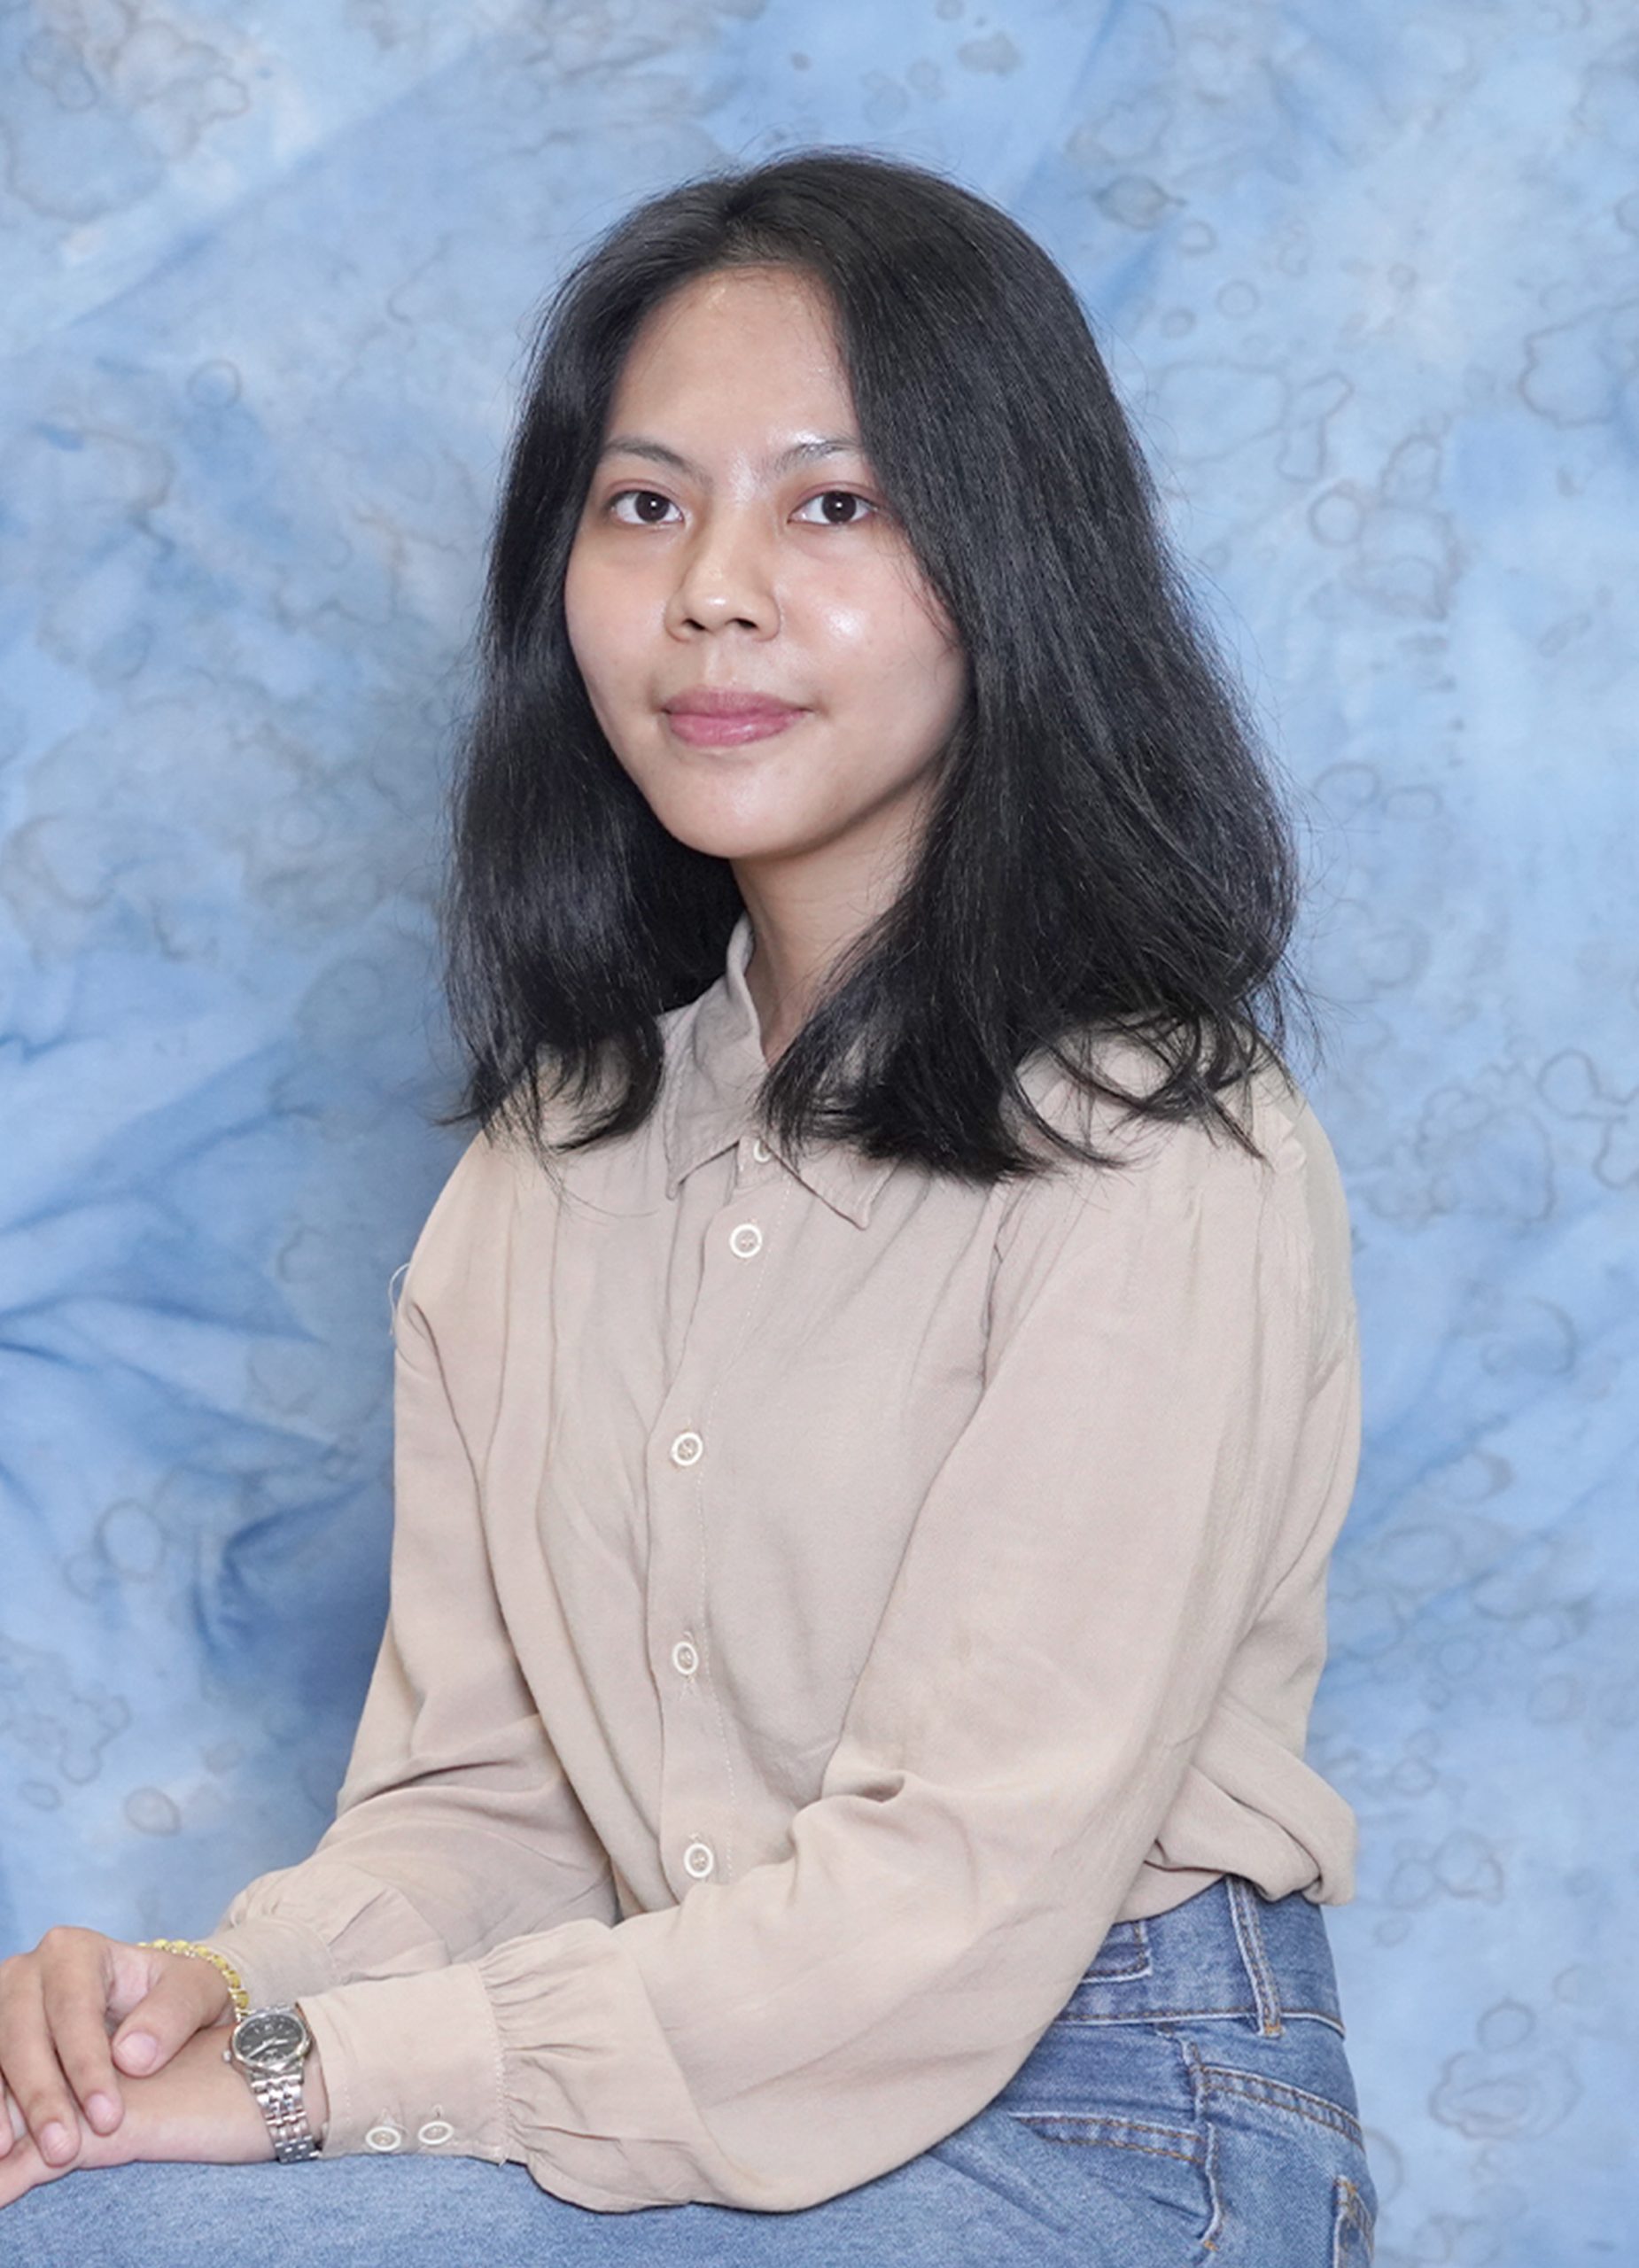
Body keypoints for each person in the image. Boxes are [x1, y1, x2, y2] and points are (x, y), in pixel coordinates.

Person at [0, 148, 1379, 2264]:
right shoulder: (546, 1167)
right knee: (76, 2194)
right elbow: (494, 1809)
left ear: (1013, 556)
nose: (713, 589)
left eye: (836, 504)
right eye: (643, 503)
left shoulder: (1158, 1146)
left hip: (1110, 2124)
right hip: (689, 2076)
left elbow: (948, 1905)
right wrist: (210, 1994)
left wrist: (300, 2088)